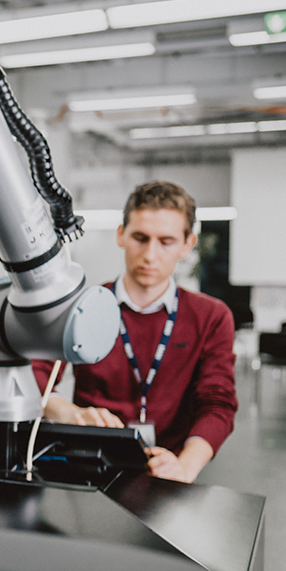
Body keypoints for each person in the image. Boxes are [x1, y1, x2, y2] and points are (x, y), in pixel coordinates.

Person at [33, 181, 237, 483]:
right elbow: (34, 377)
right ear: (121, 235)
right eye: (140, 238)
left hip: (168, 469)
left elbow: (217, 403)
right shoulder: (82, 306)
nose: (150, 255)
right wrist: (70, 413)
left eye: (166, 241)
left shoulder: (211, 316)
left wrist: (185, 466)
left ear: (187, 244)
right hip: (89, 464)